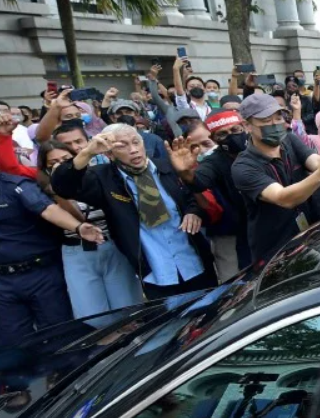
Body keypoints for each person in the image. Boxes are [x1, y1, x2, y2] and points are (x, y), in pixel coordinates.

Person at [50, 124, 216, 299]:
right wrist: (87, 153)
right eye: (122, 146)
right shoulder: (103, 179)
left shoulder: (168, 166)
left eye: (136, 142)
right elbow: (63, 187)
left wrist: (193, 212)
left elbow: (194, 196)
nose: (133, 150)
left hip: (195, 262)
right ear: (109, 154)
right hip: (156, 273)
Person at [0, 113, 105, 341]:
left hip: (41, 273)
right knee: (14, 344)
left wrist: (78, 227)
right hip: (3, 285)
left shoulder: (16, 185)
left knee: (61, 334)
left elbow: (46, 209)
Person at [229, 93, 320, 264]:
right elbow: (283, 198)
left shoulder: (288, 139)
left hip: (308, 235)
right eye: (266, 121)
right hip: (274, 249)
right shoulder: (243, 166)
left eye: (279, 117)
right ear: (247, 126)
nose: (275, 124)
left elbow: (315, 161)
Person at [171, 110, 251, 280]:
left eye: (235, 130)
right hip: (230, 235)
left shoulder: (257, 149)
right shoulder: (212, 162)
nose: (231, 136)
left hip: (266, 227)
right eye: (222, 134)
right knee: (237, 283)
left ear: (245, 127)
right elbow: (198, 183)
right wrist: (186, 174)